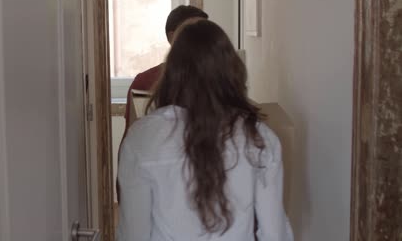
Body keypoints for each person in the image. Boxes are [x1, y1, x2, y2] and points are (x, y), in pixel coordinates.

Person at [116, 19, 294, 241]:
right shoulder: (260, 138)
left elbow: (133, 234)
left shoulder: (143, 139)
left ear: (172, 72)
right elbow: (274, 233)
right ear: (232, 72)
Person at [122, 5, 209, 138]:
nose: (201, 39)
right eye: (191, 33)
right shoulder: (145, 82)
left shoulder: (215, 80)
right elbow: (129, 143)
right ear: (171, 37)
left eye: (206, 33)